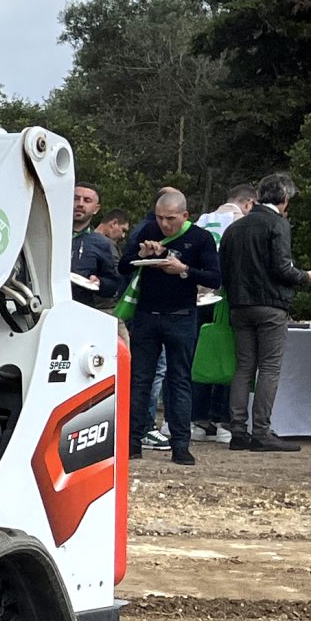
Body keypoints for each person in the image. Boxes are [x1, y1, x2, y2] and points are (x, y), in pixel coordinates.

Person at [218, 173, 311, 452]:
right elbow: (281, 268)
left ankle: (237, 430)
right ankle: (261, 430)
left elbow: (222, 269)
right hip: (271, 305)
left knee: (244, 366)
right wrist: (304, 277)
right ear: (284, 199)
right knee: (269, 368)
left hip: (239, 304)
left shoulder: (234, 228)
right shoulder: (277, 224)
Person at [121, 190, 220, 468]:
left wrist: (184, 269)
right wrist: (139, 254)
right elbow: (122, 267)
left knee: (179, 381)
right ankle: (132, 443)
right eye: (160, 218)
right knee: (140, 380)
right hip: (146, 315)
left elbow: (214, 277)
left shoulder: (201, 238)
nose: (165, 225)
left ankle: (180, 445)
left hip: (182, 316)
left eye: (171, 219)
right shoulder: (147, 230)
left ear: (185, 216)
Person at [68, 184, 123, 313]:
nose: (80, 204)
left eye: (87, 200)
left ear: (96, 209)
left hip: (81, 310)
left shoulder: (101, 243)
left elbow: (112, 285)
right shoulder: (49, 234)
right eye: (76, 198)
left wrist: (100, 282)